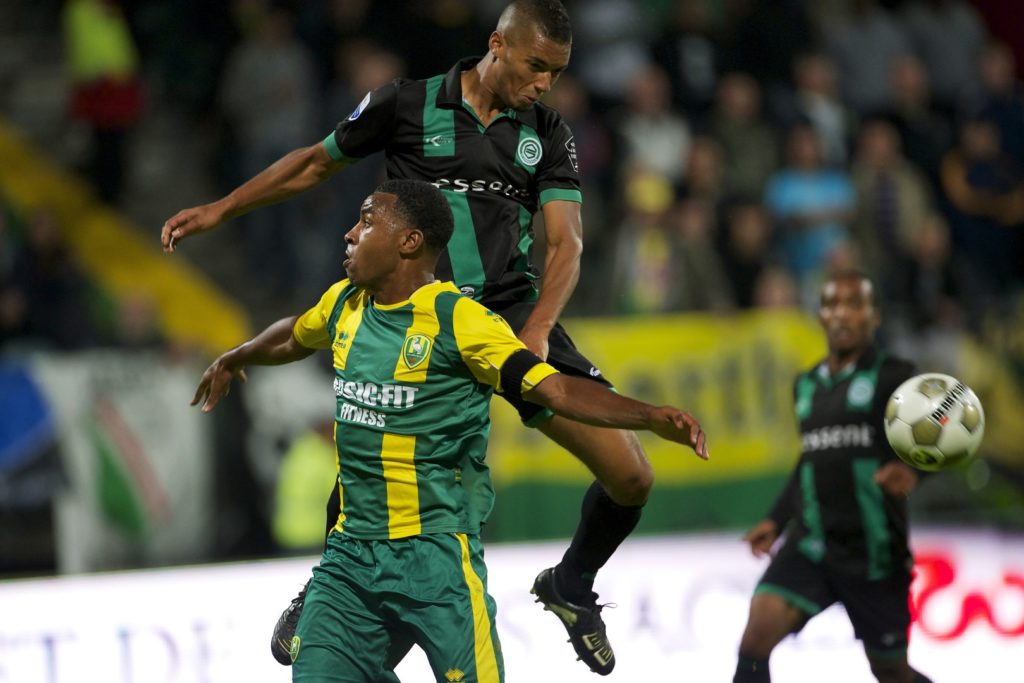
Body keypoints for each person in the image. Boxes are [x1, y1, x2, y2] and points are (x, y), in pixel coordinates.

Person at [162, 1, 657, 674]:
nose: (545, 84)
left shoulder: (547, 131)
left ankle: (571, 584)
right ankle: (327, 587)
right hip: (414, 318)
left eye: (557, 72)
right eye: (536, 65)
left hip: (508, 318)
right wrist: (222, 208)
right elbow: (314, 164)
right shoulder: (404, 104)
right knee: (377, 449)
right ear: (498, 43)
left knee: (631, 476)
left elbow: (565, 242)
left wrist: (538, 328)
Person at [190, 179, 709, 682]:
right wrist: (239, 356)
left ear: (409, 242)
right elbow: (295, 335)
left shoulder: (461, 320)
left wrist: (647, 416)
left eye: (366, 222)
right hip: (349, 560)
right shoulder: (345, 302)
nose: (349, 233)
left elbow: (555, 391)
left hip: (435, 561)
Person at [732, 271, 933, 683]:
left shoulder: (896, 376)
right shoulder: (805, 385)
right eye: (832, 304)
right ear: (820, 316)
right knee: (754, 642)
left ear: (874, 316)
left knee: (890, 671)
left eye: (854, 304)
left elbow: (944, 437)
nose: (841, 314)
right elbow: (811, 458)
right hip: (812, 545)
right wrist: (777, 519)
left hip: (874, 552)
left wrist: (912, 469)